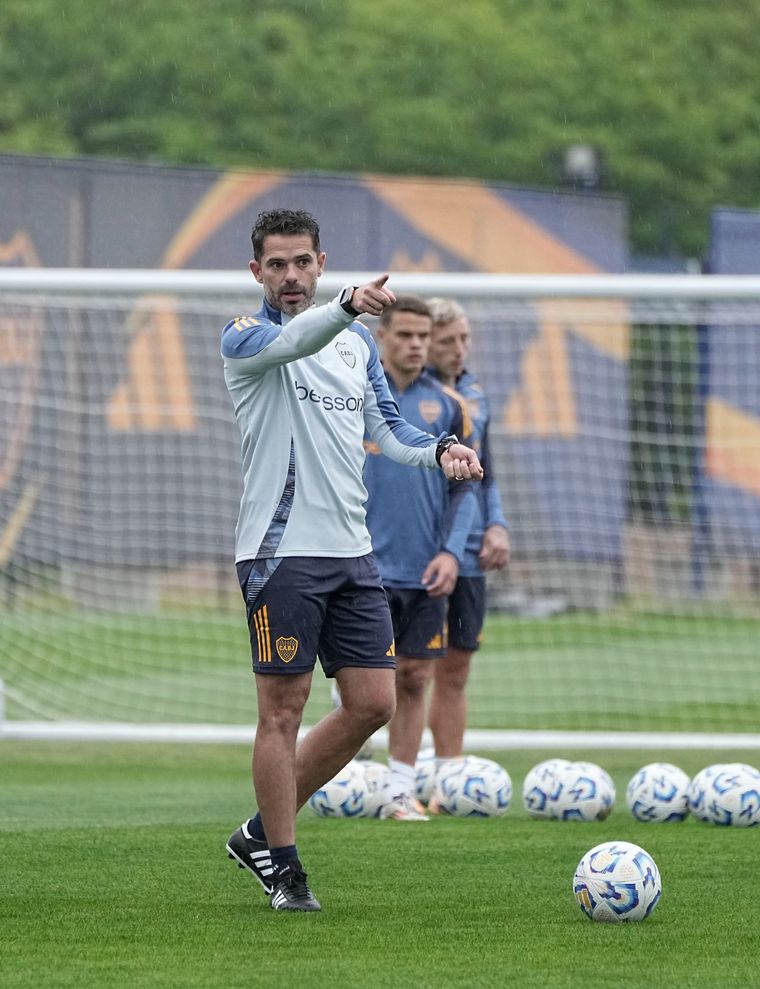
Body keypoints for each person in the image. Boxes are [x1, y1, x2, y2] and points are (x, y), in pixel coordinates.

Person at [220, 209, 483, 911]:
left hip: (352, 552)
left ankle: (256, 832)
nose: (291, 276)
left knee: (373, 700)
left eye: (302, 261)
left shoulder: (355, 348)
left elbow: (389, 432)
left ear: (319, 261)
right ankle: (285, 866)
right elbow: (302, 335)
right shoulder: (246, 339)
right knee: (283, 709)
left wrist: (439, 451)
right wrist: (344, 306)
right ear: (257, 273)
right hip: (281, 554)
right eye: (276, 264)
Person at [362, 296, 478, 821]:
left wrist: (453, 555)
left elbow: (466, 491)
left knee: (414, 678)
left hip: (426, 569)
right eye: (404, 335)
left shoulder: (449, 407)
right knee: (365, 687)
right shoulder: (355, 396)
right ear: (381, 337)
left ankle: (398, 793)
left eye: (421, 336)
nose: (415, 345)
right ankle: (342, 773)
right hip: (361, 568)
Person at [424, 298, 510, 793]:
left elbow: (487, 474)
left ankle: (449, 783)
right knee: (409, 672)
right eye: (448, 340)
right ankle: (403, 773)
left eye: (465, 339)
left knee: (456, 669)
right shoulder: (409, 395)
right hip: (425, 550)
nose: (459, 350)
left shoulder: (475, 394)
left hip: (472, 555)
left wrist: (496, 526)